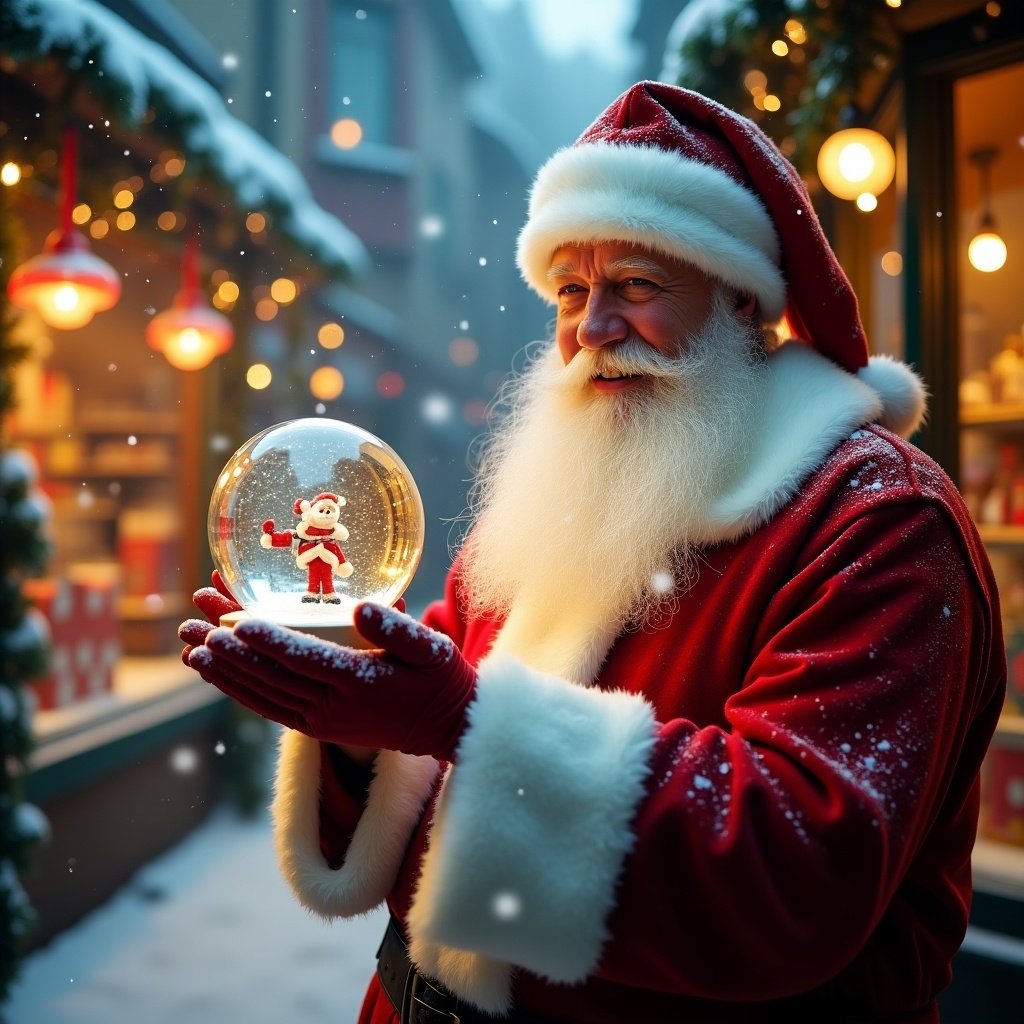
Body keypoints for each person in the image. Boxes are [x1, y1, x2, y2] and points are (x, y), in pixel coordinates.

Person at [179, 82, 1005, 1024]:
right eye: (572, 291)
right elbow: (428, 748)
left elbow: (797, 869)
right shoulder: (566, 490)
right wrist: (359, 718)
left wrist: (461, 717)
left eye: (639, 286)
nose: (593, 329)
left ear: (743, 304)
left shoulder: (876, 520)